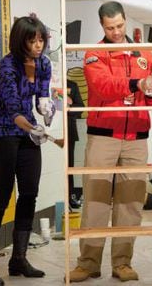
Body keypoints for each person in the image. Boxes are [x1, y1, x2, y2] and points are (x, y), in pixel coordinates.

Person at [69, 1, 152, 283]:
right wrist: (137, 83)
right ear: (102, 26)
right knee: (96, 202)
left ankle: (122, 263)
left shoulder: (145, 55)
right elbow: (103, 87)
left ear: (125, 21)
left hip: (137, 138)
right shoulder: (94, 54)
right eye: (110, 28)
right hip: (102, 137)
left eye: (120, 26)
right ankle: (88, 263)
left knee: (131, 203)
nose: (116, 31)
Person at [0, 16, 54, 286]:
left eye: (41, 39)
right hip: (2, 129)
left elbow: (43, 95)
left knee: (30, 192)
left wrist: (47, 111)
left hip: (26, 129)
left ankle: (18, 258)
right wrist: (31, 127)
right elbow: (12, 110)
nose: (38, 45)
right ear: (20, 42)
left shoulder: (43, 63)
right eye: (32, 41)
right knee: (1, 194)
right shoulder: (7, 66)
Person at [66, 79, 84, 209]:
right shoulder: (44, 82)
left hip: (69, 131)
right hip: (51, 131)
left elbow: (81, 108)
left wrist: (70, 106)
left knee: (69, 165)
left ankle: (71, 195)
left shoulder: (71, 85)